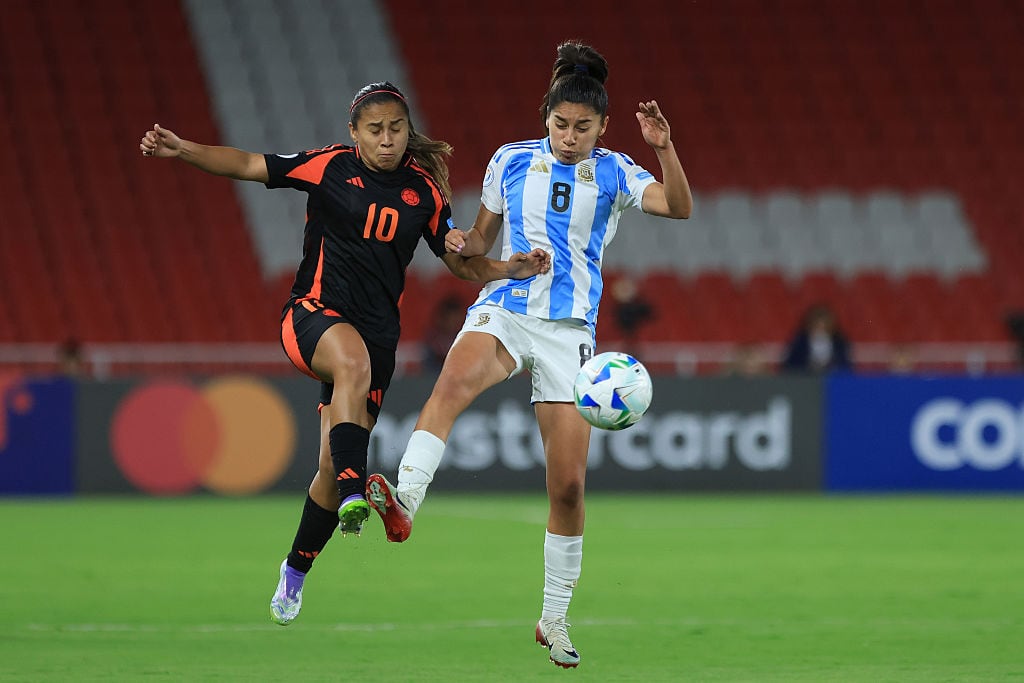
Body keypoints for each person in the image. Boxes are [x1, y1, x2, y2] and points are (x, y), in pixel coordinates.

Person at [138, 81, 550, 627]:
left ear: (408, 131)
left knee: (329, 468)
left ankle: (296, 568)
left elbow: (459, 263)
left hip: (379, 339)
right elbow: (247, 163)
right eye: (375, 130)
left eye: (396, 129)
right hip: (311, 315)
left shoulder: (424, 194)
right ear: (353, 132)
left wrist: (506, 268)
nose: (387, 140)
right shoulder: (328, 166)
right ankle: (362, 488)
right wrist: (185, 149)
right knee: (350, 375)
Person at [365, 42, 692, 668]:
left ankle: (554, 618)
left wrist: (663, 146)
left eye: (584, 127)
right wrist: (463, 244)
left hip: (571, 332)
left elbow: (679, 207)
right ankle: (404, 502)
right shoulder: (510, 162)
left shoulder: (620, 171)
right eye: (561, 124)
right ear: (546, 117)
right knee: (451, 387)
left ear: (603, 126)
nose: (570, 137)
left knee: (567, 487)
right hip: (509, 307)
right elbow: (473, 253)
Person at [780, 303, 852, 373]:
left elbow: (845, 367)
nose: (820, 330)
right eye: (817, 326)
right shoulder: (800, 343)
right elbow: (790, 367)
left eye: (825, 327)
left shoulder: (839, 344)